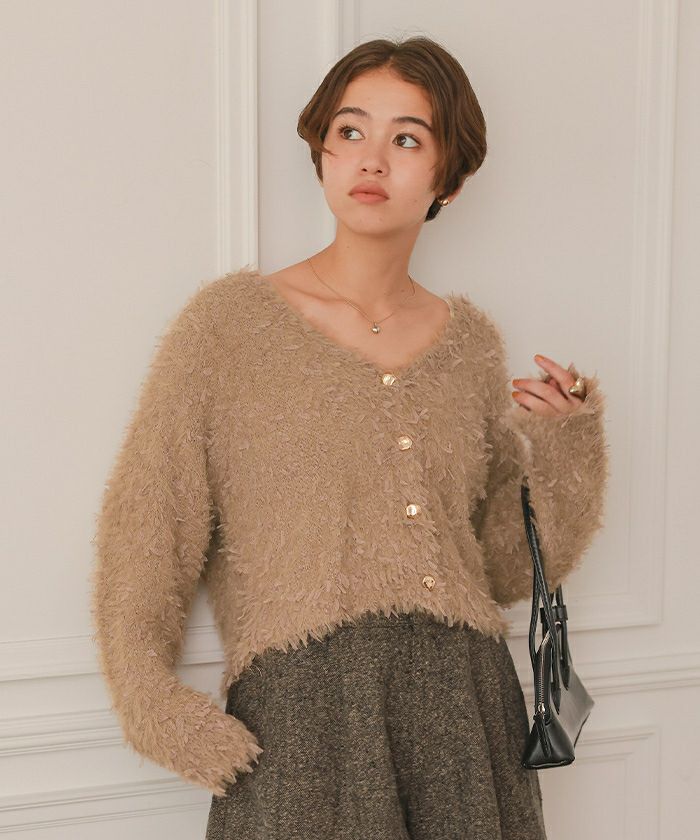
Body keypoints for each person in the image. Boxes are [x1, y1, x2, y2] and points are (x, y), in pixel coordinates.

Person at [90, 36, 609, 840]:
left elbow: (504, 567)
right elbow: (147, 525)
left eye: (408, 138)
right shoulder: (229, 327)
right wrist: (151, 705)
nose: (372, 158)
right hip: (304, 719)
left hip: (467, 716)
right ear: (322, 151)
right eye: (350, 130)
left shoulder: (469, 344)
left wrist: (568, 444)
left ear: (448, 178)